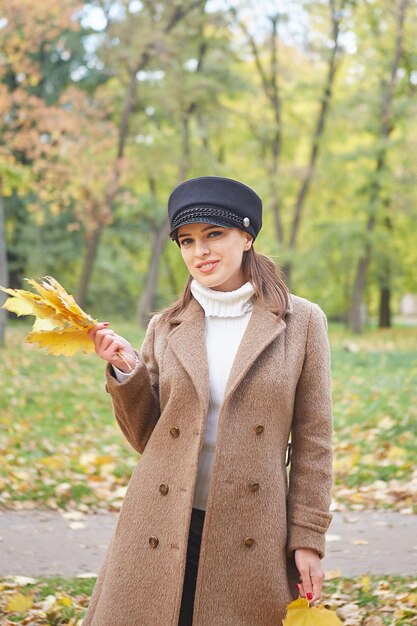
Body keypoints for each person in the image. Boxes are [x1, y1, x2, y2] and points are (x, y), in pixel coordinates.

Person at [83, 176, 333, 626]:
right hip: (162, 521)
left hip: (252, 530)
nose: (200, 251)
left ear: (247, 236)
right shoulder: (167, 325)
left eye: (213, 234)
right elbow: (148, 438)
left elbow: (315, 441)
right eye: (187, 240)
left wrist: (308, 538)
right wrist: (128, 372)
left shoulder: (301, 323)